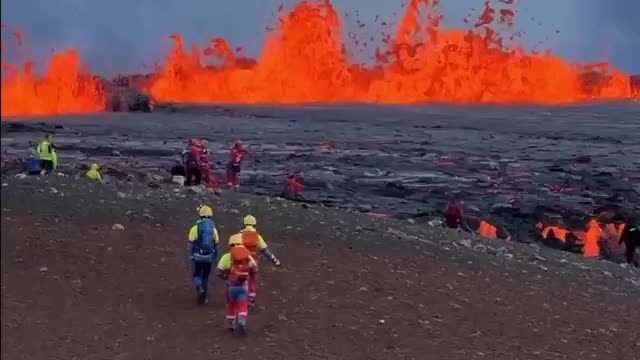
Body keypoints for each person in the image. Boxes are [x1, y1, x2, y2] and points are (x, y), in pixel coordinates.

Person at [228, 215, 280, 305]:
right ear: (254, 224)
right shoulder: (257, 236)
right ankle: (251, 297)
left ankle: (241, 297)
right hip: (254, 262)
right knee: (252, 279)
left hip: (242, 263)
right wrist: (274, 260)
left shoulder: (240, 236)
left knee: (242, 279)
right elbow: (265, 250)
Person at [217, 238, 258, 334]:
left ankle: (231, 324)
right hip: (243, 286)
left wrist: (225, 277)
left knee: (231, 305)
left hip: (231, 286)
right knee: (243, 304)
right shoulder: (247, 256)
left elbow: (219, 271)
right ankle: (242, 320)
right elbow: (255, 268)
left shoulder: (227, 257)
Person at [187, 205, 220, 304]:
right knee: (205, 276)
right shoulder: (213, 230)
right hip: (208, 257)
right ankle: (204, 298)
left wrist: (190, 255)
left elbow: (190, 244)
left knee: (197, 274)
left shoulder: (195, 228)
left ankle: (198, 287)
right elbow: (216, 245)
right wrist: (215, 258)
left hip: (197, 256)